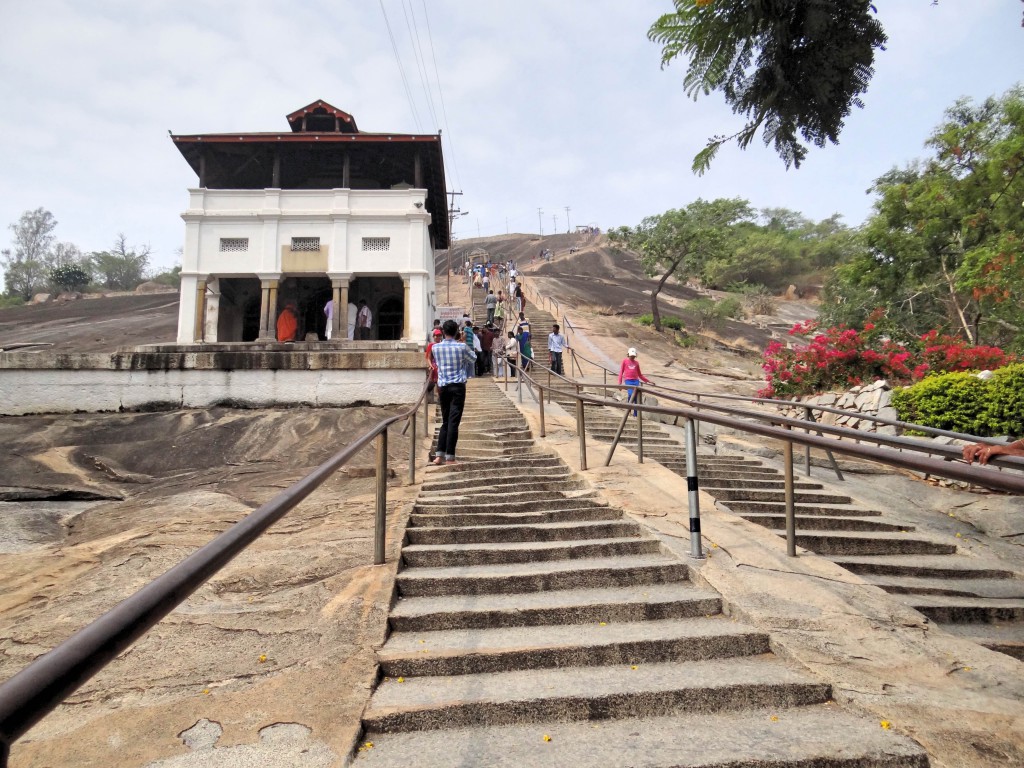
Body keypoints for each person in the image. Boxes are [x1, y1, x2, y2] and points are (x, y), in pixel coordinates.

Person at [431, 319, 477, 465]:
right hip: (457, 386)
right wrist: (463, 343)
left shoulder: (435, 348)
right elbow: (473, 359)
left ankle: (439, 455)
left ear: (443, 332)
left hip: (443, 387)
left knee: (445, 421)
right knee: (453, 422)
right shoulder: (461, 347)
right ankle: (450, 456)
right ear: (457, 331)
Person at [619, 347, 652, 411]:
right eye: (631, 356)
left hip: (636, 381)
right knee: (631, 394)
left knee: (636, 397)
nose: (632, 357)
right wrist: (620, 383)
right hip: (628, 380)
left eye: (633, 356)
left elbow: (640, 374)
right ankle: (629, 409)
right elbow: (621, 372)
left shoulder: (636, 363)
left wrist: (648, 381)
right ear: (628, 355)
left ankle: (636, 413)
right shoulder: (625, 361)